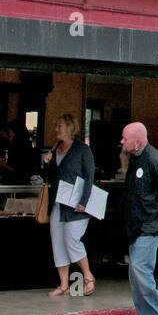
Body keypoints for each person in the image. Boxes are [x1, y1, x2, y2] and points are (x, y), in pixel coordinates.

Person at [119, 122, 158, 315]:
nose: (122, 141)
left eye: (125, 138)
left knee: (141, 269)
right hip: (136, 225)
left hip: (151, 226)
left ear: (139, 141)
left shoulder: (154, 160)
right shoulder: (134, 159)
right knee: (135, 272)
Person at [42, 113, 96, 297]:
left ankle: (88, 277)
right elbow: (52, 177)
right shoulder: (56, 148)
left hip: (76, 204)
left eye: (60, 126)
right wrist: (47, 163)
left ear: (70, 128)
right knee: (57, 241)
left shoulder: (82, 150)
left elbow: (89, 176)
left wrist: (84, 201)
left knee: (71, 239)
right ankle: (64, 284)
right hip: (58, 203)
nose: (57, 129)